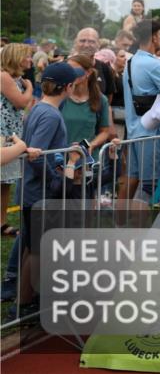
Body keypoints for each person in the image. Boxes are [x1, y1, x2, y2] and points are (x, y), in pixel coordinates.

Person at [10, 61, 81, 318]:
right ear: (69, 87)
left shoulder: (39, 107)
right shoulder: (50, 114)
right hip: (39, 192)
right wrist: (55, 179)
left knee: (32, 247)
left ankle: (23, 302)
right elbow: (36, 154)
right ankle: (28, 304)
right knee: (38, 251)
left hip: (33, 191)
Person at [121, 20, 160, 202]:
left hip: (134, 130)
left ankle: (117, 225)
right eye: (159, 35)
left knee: (131, 180)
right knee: (148, 187)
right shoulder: (153, 64)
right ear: (153, 37)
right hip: (150, 132)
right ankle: (140, 229)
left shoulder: (131, 62)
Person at [62, 54, 117, 198]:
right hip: (61, 160)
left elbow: (105, 131)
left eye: (75, 70)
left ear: (88, 72)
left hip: (88, 161)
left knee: (86, 201)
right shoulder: (61, 97)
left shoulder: (100, 100)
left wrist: (91, 145)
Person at [1, 43, 34, 237]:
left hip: (11, 134)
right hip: (2, 133)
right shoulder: (4, 76)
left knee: (5, 182)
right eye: (27, 56)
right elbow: (21, 102)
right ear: (16, 57)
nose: (30, 59)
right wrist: (30, 88)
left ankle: (2, 222)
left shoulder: (16, 78)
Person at [73, 27, 117, 100]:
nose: (86, 45)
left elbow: (108, 97)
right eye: (82, 41)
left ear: (98, 44)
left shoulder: (105, 68)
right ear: (75, 43)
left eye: (91, 41)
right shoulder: (65, 66)